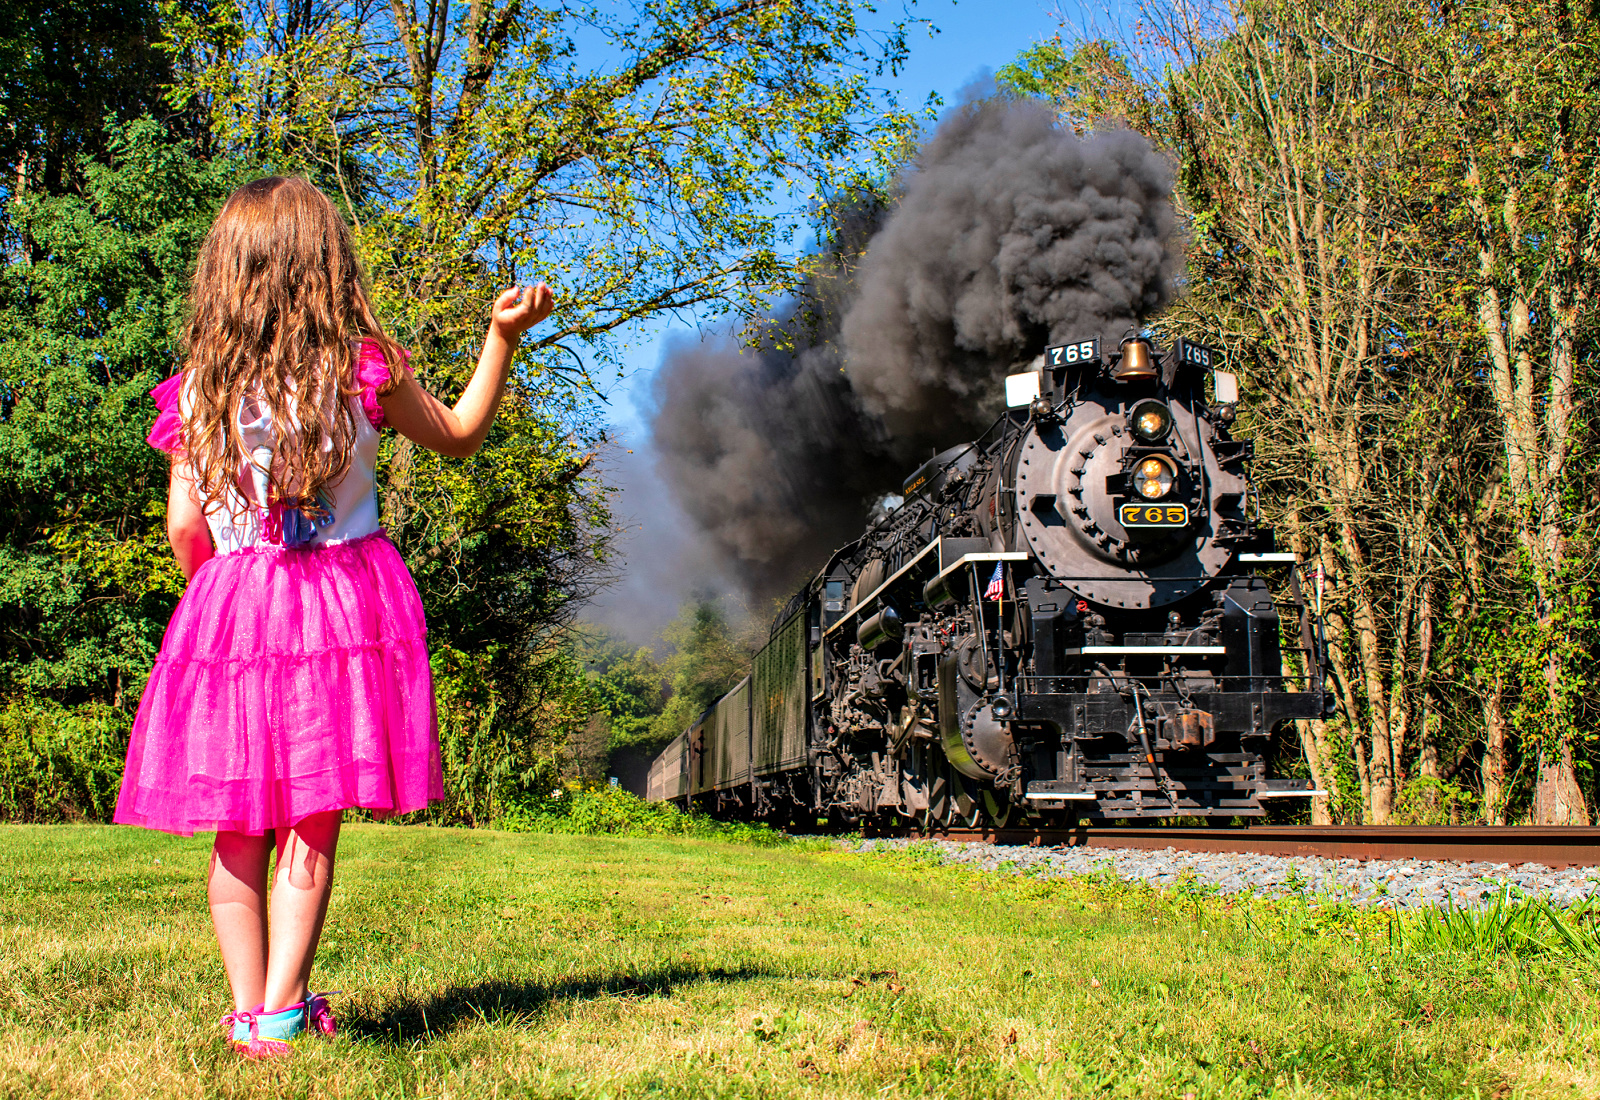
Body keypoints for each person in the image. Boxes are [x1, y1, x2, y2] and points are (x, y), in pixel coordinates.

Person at [114, 176, 554, 1059]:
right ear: (325, 264)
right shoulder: (361, 369)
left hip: (233, 612)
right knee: (311, 814)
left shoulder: (196, 389)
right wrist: (500, 337)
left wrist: (224, 596)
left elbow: (182, 528)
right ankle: (282, 1009)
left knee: (238, 823)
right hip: (334, 613)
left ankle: (246, 1011)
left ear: (227, 273)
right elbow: (462, 432)